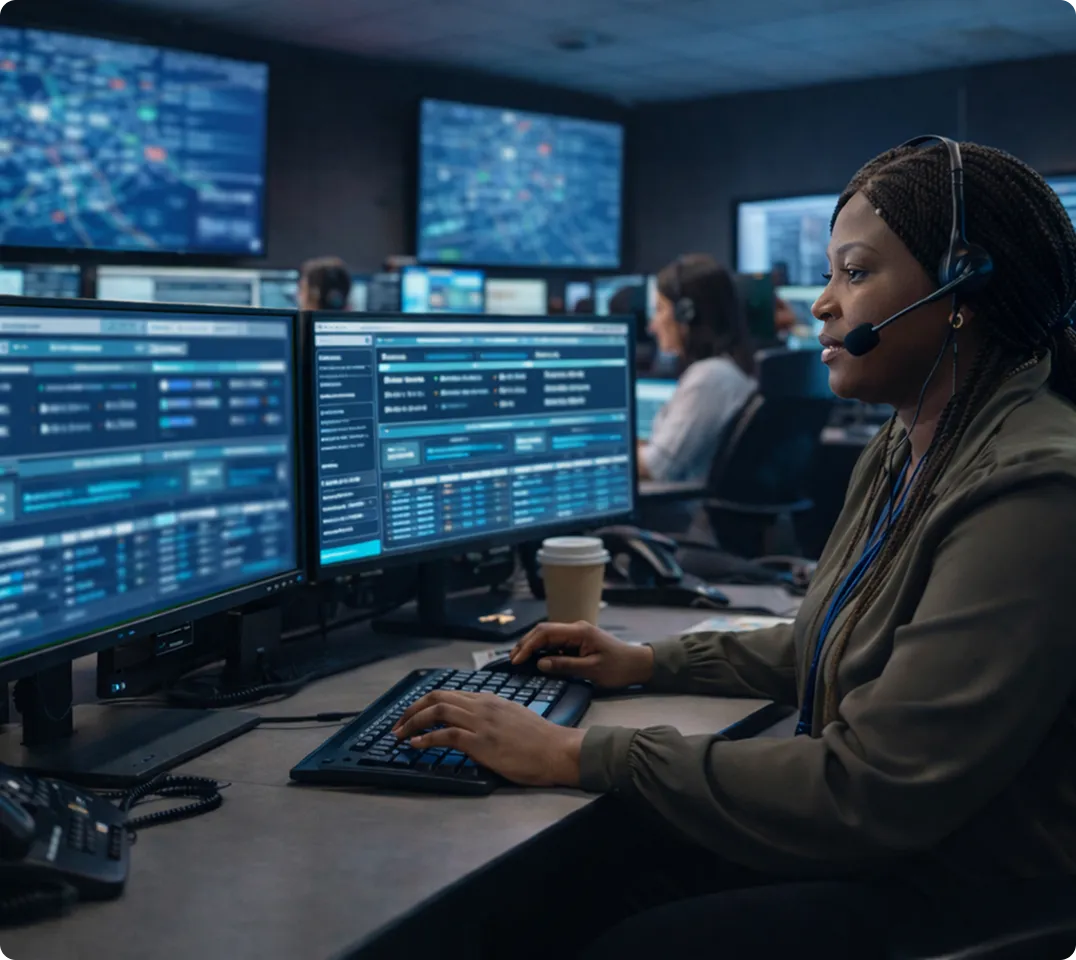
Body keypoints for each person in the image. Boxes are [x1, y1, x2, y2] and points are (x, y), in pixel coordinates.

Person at [392, 140, 1076, 956]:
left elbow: (870, 787)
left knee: (633, 937)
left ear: (963, 290)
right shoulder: (909, 447)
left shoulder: (1033, 492)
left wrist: (574, 749)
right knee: (577, 877)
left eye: (855, 273)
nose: (822, 303)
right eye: (829, 273)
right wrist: (646, 662)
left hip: (967, 890)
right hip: (893, 850)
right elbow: (834, 642)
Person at [638, 254, 756, 482]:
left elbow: (657, 467)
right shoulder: (728, 371)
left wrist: (603, 453)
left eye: (660, 309)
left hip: (683, 502)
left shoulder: (710, 377)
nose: (652, 325)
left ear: (686, 313)